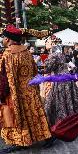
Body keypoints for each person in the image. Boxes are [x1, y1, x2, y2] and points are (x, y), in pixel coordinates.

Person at [0, 25, 51, 153]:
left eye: (4, 37)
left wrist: (2, 96)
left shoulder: (8, 54)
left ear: (9, 39)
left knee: (19, 118)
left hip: (16, 93)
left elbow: (4, 78)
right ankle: (48, 137)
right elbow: (34, 70)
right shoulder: (27, 52)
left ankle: (21, 141)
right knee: (35, 114)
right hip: (31, 89)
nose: (2, 39)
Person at [43, 36, 78, 133]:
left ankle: (65, 125)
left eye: (47, 42)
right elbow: (71, 66)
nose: (45, 43)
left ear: (52, 44)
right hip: (67, 79)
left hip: (61, 82)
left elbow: (47, 69)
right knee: (73, 101)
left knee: (62, 102)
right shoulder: (61, 54)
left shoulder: (53, 55)